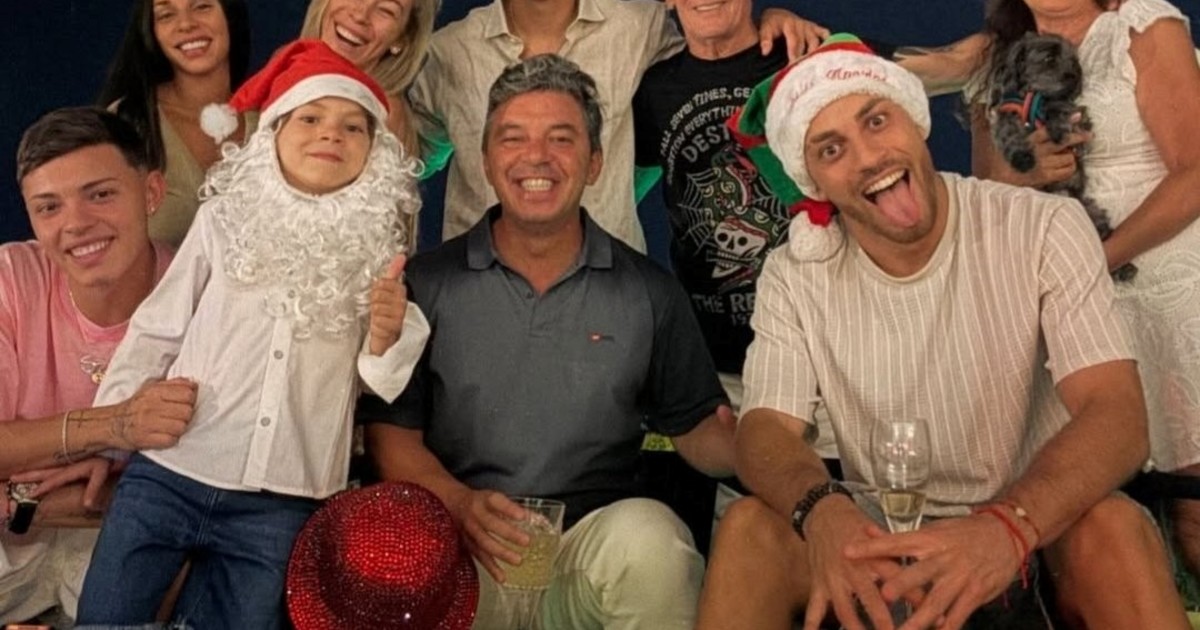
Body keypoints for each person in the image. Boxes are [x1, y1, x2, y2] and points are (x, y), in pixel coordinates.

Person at [693, 37, 1188, 630]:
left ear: (915, 119)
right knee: (751, 530)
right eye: (831, 149)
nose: (869, 157)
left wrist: (1008, 527)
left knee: (1113, 527)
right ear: (814, 181)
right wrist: (821, 510)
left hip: (1029, 534)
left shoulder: (1042, 225)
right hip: (877, 539)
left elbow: (1116, 415)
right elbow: (765, 430)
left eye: (876, 120)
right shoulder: (795, 271)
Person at [365, 54, 736, 629]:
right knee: (396, 550)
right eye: (513, 138)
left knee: (655, 540)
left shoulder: (648, 291)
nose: (536, 156)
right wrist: (460, 505)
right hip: (466, 558)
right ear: (486, 161)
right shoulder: (429, 283)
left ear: (595, 163)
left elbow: (699, 430)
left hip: (586, 556)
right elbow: (391, 437)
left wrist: (767, 445)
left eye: (561, 139)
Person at [74, 40, 430, 627]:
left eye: (353, 127)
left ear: (375, 153)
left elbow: (378, 382)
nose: (331, 134)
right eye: (310, 118)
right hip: (173, 468)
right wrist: (110, 433)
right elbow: (158, 327)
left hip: (286, 497)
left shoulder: (378, 253)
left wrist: (387, 335)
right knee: (107, 616)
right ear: (273, 133)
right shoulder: (224, 219)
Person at [968, 0, 1200, 583]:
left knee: (1195, 509)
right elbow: (986, 192)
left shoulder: (1143, 25)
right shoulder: (996, 55)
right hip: (1069, 310)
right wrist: (1023, 174)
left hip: (1172, 291)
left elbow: (1196, 171)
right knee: (1098, 510)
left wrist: (1096, 261)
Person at [408, 0, 825, 252]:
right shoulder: (448, 52)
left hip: (611, 297)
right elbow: (405, 160)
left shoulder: (638, 26)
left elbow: (713, 51)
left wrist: (771, 19)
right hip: (477, 298)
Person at [1, 107, 191, 624]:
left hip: (128, 539)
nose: (76, 224)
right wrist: (115, 426)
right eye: (49, 207)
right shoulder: (11, 277)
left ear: (151, 192)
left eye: (100, 194)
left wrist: (21, 496)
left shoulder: (200, 294)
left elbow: (197, 492)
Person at [98, 0, 252, 247]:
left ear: (230, 16)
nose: (186, 24)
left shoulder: (274, 119)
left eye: (202, 6)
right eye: (166, 15)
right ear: (152, 32)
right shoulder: (127, 120)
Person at [300, 0, 439, 156]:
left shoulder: (381, 115)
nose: (360, 15)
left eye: (386, 11)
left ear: (402, 39)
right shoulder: (291, 69)